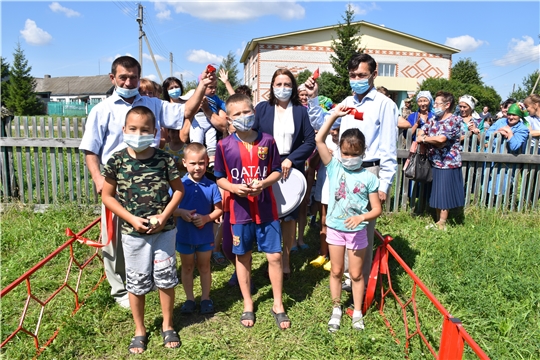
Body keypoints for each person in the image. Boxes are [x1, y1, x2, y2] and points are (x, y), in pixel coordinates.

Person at [79, 55, 212, 309]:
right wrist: (98, 179)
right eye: (123, 77)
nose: (128, 82)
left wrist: (203, 87)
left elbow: (185, 111)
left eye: (133, 77)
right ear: (112, 78)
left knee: (156, 232)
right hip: (116, 183)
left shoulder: (153, 103)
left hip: (153, 181)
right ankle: (121, 289)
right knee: (116, 240)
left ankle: (152, 279)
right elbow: (90, 150)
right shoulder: (102, 110)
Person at [305, 52, 398, 287]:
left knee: (362, 232)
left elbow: (388, 148)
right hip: (343, 172)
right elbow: (321, 125)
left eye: (361, 75)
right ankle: (346, 275)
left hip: (368, 172)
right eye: (352, 75)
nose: (356, 79)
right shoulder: (346, 102)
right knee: (341, 223)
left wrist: (384, 184)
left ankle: (360, 282)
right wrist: (313, 99)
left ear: (374, 75)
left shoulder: (384, 105)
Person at [101, 106, 183, 353]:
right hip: (132, 234)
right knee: (136, 283)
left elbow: (179, 190)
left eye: (145, 129)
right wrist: (131, 219)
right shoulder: (116, 161)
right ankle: (140, 329)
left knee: (166, 280)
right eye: (133, 129)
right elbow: (107, 196)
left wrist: (164, 215)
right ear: (124, 130)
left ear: (155, 132)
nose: (139, 133)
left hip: (165, 232)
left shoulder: (165, 159)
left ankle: (168, 325)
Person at [214, 93, 290, 330]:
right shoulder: (223, 145)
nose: (243, 117)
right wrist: (234, 187)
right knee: (243, 256)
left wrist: (264, 184)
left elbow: (277, 170)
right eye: (237, 114)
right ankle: (248, 303)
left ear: (254, 113)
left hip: (267, 209)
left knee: (275, 256)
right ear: (229, 119)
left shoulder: (268, 141)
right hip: (239, 211)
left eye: (247, 112)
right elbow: (219, 177)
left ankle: (278, 304)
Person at [315, 104, 382, 332]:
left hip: (357, 233)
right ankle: (336, 309)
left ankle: (357, 311)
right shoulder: (334, 167)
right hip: (334, 229)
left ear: (363, 153)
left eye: (355, 154)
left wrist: (361, 217)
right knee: (335, 271)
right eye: (346, 152)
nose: (350, 157)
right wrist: (333, 115)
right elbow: (319, 140)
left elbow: (376, 209)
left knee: (355, 273)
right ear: (339, 150)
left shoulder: (369, 178)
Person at [253, 68, 316, 278]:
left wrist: (291, 159)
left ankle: (286, 259)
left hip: (292, 166)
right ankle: (273, 258)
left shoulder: (300, 110)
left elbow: (309, 141)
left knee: (288, 217)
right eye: (279, 84)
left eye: (287, 84)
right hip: (266, 167)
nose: (283, 88)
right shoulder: (262, 109)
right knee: (270, 215)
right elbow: (251, 136)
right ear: (272, 87)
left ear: (293, 87)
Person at [174, 143, 223, 315]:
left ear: (207, 162)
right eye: (193, 163)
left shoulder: (212, 185)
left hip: (205, 236)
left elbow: (219, 209)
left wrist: (206, 218)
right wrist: (181, 212)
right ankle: (189, 298)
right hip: (184, 235)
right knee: (187, 267)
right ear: (184, 163)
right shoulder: (178, 185)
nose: (197, 167)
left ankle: (205, 298)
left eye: (201, 163)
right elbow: (170, 210)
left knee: (204, 267)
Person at [417, 91, 464, 230]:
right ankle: (438, 221)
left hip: (448, 163)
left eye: (437, 104)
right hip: (434, 162)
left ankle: (442, 223)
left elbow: (442, 139)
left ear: (447, 105)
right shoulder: (434, 120)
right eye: (435, 103)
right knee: (437, 192)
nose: (435, 106)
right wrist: (424, 136)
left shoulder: (454, 120)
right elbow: (422, 129)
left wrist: (425, 139)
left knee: (444, 193)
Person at [484, 103, 530, 195]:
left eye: (514, 115)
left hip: (507, 164)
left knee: (502, 187)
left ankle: (502, 206)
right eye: (509, 114)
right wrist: (497, 132)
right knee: (487, 185)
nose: (511, 117)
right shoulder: (500, 122)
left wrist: (509, 133)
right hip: (492, 159)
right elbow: (487, 134)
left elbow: (514, 146)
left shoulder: (522, 129)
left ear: (520, 116)